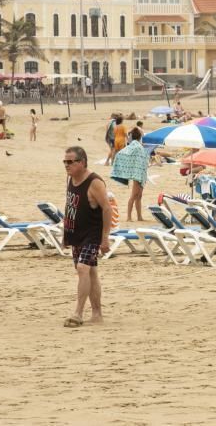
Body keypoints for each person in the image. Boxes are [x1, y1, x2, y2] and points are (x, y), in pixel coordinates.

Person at [62, 146, 112, 328]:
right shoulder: (70, 179)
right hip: (76, 233)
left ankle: (78, 313)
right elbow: (69, 206)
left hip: (92, 233)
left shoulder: (94, 182)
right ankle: (97, 314)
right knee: (90, 271)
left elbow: (107, 208)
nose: (66, 165)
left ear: (82, 163)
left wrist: (105, 238)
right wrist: (65, 233)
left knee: (83, 268)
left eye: (70, 162)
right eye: (65, 162)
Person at [111, 127, 149, 222]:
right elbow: (123, 153)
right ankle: (129, 217)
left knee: (139, 196)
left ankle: (139, 216)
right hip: (138, 173)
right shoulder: (136, 146)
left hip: (140, 173)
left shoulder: (136, 146)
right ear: (139, 136)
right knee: (134, 196)